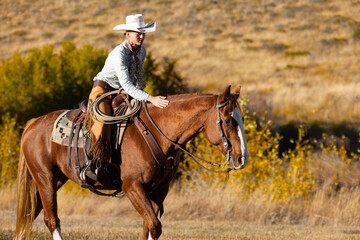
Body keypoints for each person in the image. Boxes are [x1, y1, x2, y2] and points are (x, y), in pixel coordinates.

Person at [84, 14, 169, 172]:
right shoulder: (120, 53)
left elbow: (139, 79)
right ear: (128, 33)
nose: (142, 36)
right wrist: (151, 98)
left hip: (121, 91)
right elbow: (127, 84)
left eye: (143, 33)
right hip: (103, 89)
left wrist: (144, 97)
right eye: (138, 33)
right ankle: (92, 163)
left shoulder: (142, 50)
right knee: (102, 122)